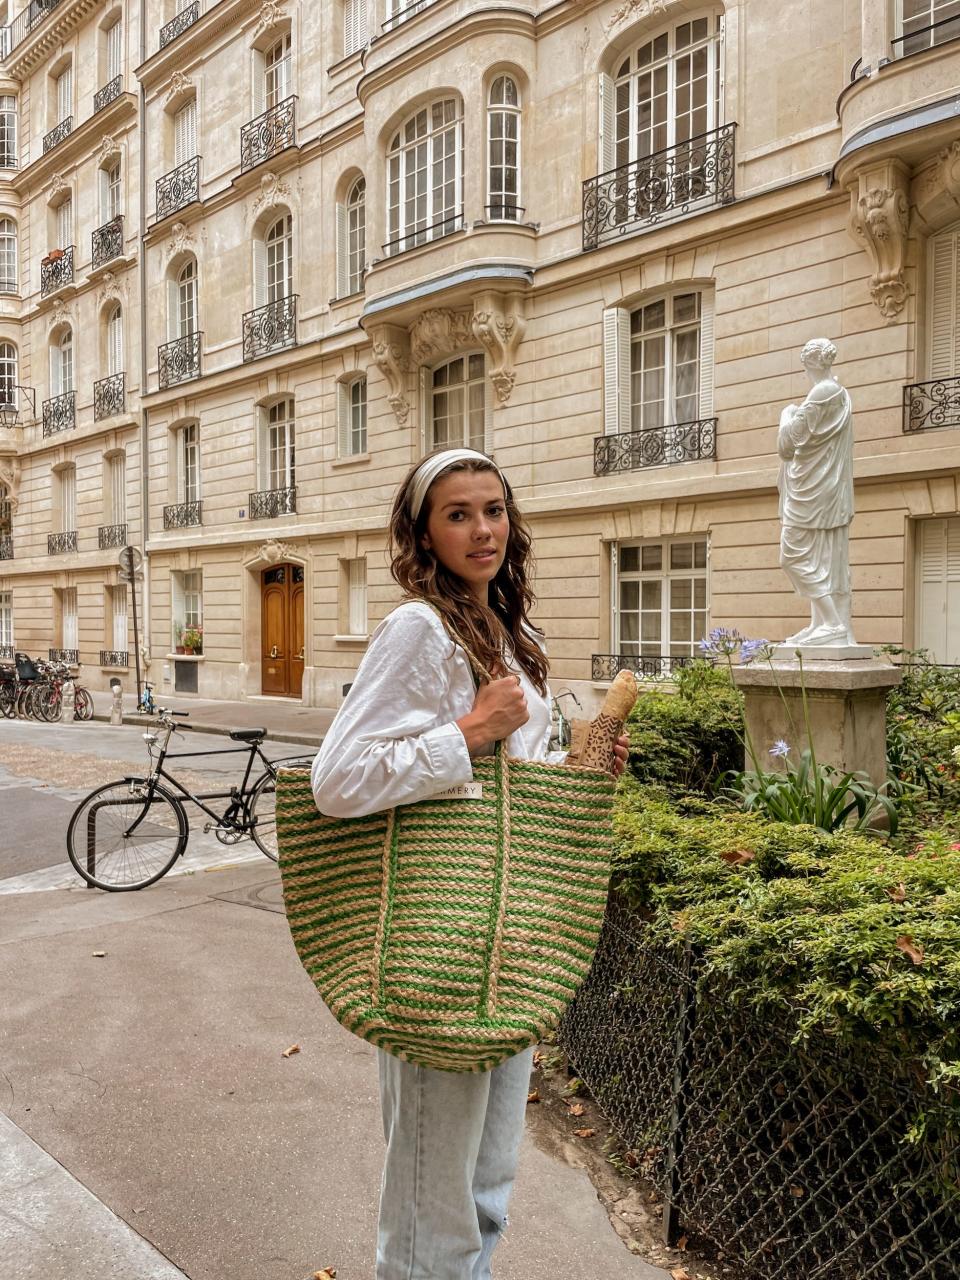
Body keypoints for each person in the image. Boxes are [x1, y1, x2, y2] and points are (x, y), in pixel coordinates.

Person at [311, 447, 628, 1280]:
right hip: (439, 939)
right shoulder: (419, 626)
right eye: (458, 514)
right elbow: (337, 779)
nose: (483, 529)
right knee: (432, 1195)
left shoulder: (508, 631)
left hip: (505, 934)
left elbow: (502, 794)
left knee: (487, 1180)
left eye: (493, 509)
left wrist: (582, 766)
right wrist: (468, 732)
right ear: (425, 532)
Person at [777, 337, 856, 646]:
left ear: (808, 362)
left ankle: (833, 623)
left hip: (813, 491)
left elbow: (788, 442)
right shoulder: (836, 392)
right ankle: (820, 623)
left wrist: (787, 413)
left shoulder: (823, 392)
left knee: (792, 555)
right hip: (819, 487)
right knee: (821, 557)